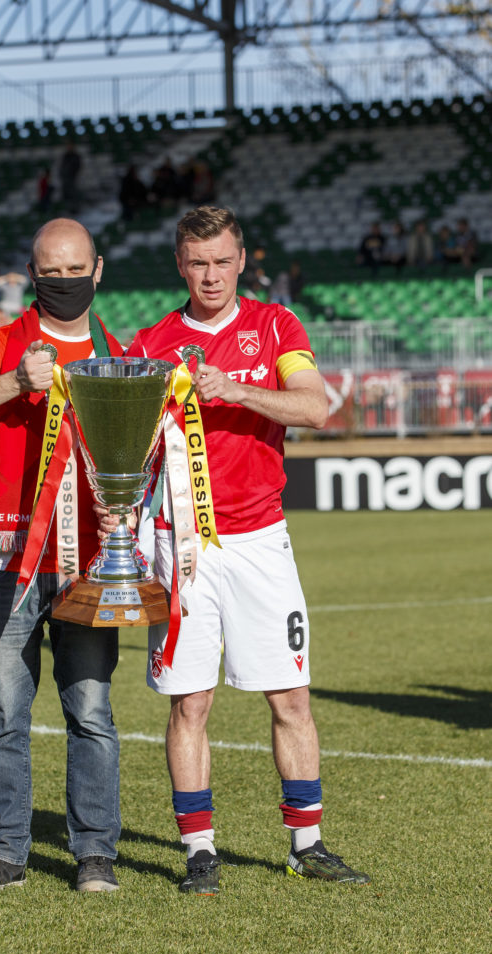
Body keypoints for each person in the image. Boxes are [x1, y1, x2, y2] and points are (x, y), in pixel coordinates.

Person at [126, 206, 370, 894]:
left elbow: (313, 406)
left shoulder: (274, 326)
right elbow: (134, 442)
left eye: (222, 261)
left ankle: (307, 842)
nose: (210, 275)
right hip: (181, 546)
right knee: (189, 705)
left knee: (290, 698)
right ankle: (198, 850)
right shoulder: (152, 343)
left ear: (242, 261)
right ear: (180, 263)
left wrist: (233, 388)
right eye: (197, 262)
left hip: (260, 539)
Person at [0, 218, 125, 895]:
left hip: (90, 560)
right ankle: (4, 852)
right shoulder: (1, 342)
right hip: (4, 558)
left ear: (96, 271)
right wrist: (14, 382)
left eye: (74, 271)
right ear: (29, 273)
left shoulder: (116, 351)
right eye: (50, 271)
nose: (63, 282)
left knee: (91, 710)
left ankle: (94, 853)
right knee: (4, 713)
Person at [58, 143, 82, 213]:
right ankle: (67, 209)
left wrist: (72, 173)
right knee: (66, 194)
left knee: (73, 194)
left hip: (73, 178)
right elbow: (62, 167)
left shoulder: (75, 156)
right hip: (65, 179)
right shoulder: (65, 156)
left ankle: (75, 209)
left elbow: (77, 166)